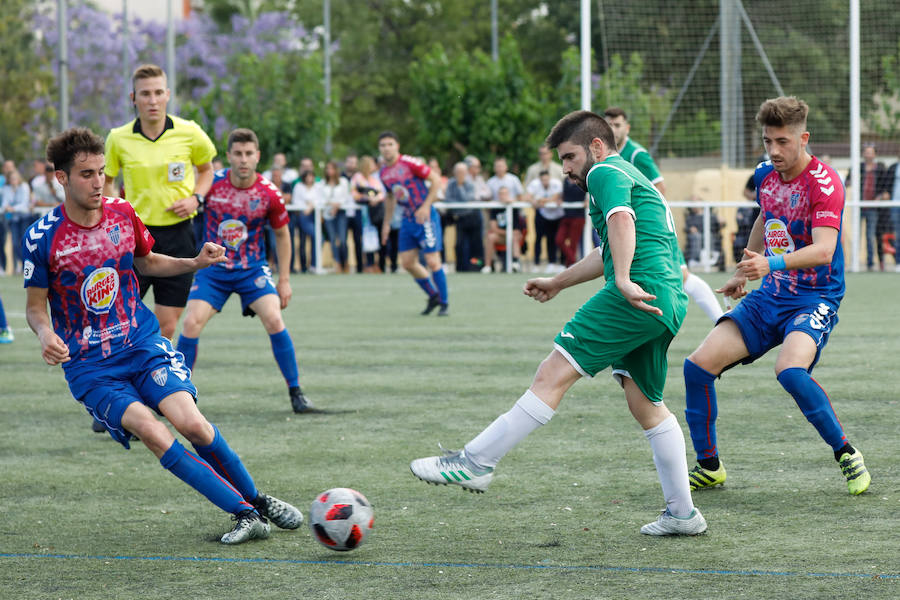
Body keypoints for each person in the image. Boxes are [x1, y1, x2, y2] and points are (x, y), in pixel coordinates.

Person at [410, 110, 707, 536]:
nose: (565, 168)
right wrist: (559, 282)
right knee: (646, 404)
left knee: (552, 374)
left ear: (596, 147)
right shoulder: (623, 174)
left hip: (637, 290)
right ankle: (683, 514)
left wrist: (621, 279)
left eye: (569, 157)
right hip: (665, 298)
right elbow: (608, 246)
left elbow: (622, 222)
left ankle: (475, 462)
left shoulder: (605, 172)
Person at [24, 127, 304, 544]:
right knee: (155, 433)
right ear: (61, 178)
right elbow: (34, 308)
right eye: (86, 174)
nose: (98, 181)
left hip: (140, 343)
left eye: (101, 171)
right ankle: (244, 513)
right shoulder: (43, 237)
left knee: (194, 425)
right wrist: (45, 333)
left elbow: (148, 261)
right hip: (91, 367)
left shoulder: (122, 213)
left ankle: (256, 499)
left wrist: (194, 262)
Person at [683, 96, 870, 496]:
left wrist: (771, 264)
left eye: (782, 141)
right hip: (770, 296)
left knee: (789, 370)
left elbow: (823, 250)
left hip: (815, 297)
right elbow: (765, 218)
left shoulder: (825, 183)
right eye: (768, 141)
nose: (774, 151)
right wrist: (742, 272)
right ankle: (709, 465)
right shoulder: (766, 175)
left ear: (804, 138)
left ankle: (846, 452)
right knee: (696, 367)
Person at [175, 128, 310, 414]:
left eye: (249, 154)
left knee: (274, 318)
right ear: (229, 156)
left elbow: (283, 235)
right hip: (214, 269)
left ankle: (296, 393)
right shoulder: (212, 185)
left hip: (253, 270)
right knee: (190, 323)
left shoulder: (268, 193)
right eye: (238, 154)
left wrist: (284, 279)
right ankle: (180, 395)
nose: (243, 160)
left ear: (258, 157)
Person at [104, 64, 216, 342]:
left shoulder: (189, 132)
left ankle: (155, 381)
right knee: (121, 320)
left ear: (167, 95)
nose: (152, 100)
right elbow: (107, 180)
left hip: (179, 236)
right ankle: (121, 378)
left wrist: (195, 198)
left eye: (157, 93)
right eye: (145, 94)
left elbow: (207, 170)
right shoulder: (118, 138)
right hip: (134, 238)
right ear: (134, 98)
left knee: (166, 326)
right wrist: (113, 212)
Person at [604, 106, 723, 322]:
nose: (612, 129)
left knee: (684, 278)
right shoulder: (611, 156)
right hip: (635, 229)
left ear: (627, 128)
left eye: (617, 125)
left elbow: (660, 187)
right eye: (609, 124)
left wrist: (643, 217)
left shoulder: (636, 154)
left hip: (652, 229)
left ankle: (722, 321)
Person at [378, 131, 449, 315]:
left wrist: (426, 206)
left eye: (390, 144)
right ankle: (433, 295)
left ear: (397, 146)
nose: (386, 148)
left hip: (425, 217)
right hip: (408, 219)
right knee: (408, 263)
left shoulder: (410, 163)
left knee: (433, 261)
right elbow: (391, 197)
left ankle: (444, 303)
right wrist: (386, 224)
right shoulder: (384, 173)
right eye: (383, 145)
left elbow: (435, 180)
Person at [485, 157, 527, 273]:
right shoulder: (491, 182)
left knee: (515, 235)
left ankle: (515, 263)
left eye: (501, 166)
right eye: (497, 166)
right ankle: (488, 265)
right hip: (501, 232)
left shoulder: (513, 180)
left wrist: (512, 202)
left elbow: (520, 197)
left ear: (506, 167)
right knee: (490, 236)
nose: (499, 168)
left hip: (513, 230)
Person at [444, 161, 484, 272]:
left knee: (476, 246)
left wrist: (460, 186)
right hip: (460, 218)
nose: (460, 174)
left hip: (473, 217)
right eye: (458, 172)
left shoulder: (470, 184)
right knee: (460, 245)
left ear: (466, 172)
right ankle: (461, 268)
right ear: (454, 172)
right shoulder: (451, 183)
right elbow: (448, 199)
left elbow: (467, 199)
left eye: (462, 172)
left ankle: (476, 267)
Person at [350, 156, 387, 273]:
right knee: (360, 238)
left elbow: (382, 193)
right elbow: (354, 194)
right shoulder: (357, 178)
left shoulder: (375, 179)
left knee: (375, 237)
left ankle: (378, 264)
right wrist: (367, 198)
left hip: (374, 212)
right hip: (361, 213)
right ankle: (362, 266)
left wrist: (376, 199)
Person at [527, 169, 564, 272]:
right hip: (542, 214)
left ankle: (553, 262)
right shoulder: (535, 184)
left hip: (556, 215)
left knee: (554, 239)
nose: (545, 182)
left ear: (549, 178)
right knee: (538, 238)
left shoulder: (556, 183)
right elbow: (528, 197)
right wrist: (534, 201)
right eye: (543, 180)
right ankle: (536, 264)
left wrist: (540, 200)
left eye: (546, 179)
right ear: (540, 179)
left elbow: (556, 197)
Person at [320, 160, 353, 273]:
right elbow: (321, 199)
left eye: (332, 168)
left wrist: (337, 205)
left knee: (343, 239)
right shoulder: (322, 183)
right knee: (333, 239)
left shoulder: (343, 182)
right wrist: (331, 204)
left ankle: (346, 262)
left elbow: (346, 197)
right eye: (328, 168)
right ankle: (337, 263)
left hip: (341, 213)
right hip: (328, 214)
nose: (330, 171)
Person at [2, 169, 33, 274]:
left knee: (24, 243)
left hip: (24, 217)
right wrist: (5, 208)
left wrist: (12, 208)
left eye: (14, 179)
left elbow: (24, 204)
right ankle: (25, 264)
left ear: (18, 178)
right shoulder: (6, 189)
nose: (13, 181)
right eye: (11, 179)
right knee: (15, 244)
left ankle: (27, 266)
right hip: (14, 219)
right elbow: (5, 203)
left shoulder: (24, 186)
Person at [290, 169, 318, 273]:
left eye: (311, 176)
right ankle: (304, 266)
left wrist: (311, 205)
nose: (309, 179)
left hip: (314, 216)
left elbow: (319, 199)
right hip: (301, 216)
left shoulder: (317, 187)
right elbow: (296, 200)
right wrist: (306, 205)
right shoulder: (299, 186)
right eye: (308, 176)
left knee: (316, 237)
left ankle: (314, 264)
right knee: (302, 242)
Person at [556, 177, 586, 268]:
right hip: (566, 216)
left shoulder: (582, 179)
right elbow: (561, 194)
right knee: (559, 239)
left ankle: (569, 265)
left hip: (578, 217)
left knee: (573, 243)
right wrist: (559, 199)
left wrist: (587, 201)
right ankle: (573, 262)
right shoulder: (565, 180)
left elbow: (590, 193)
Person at [884, 156, 900, 271]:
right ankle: (898, 262)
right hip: (895, 205)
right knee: (897, 234)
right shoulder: (893, 167)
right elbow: (887, 185)